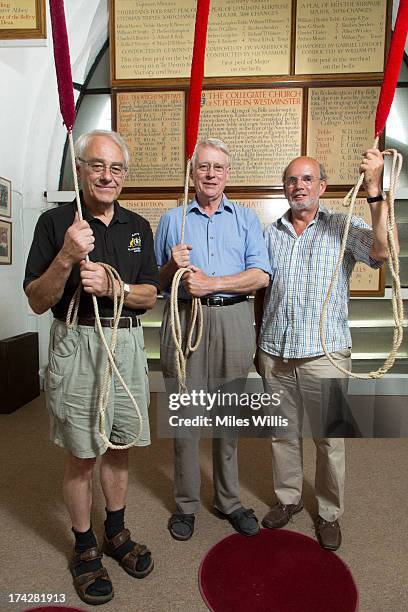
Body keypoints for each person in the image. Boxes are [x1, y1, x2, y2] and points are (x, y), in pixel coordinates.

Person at [24, 130, 159, 605]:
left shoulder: (138, 226)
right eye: (97, 166)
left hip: (124, 342)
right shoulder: (55, 223)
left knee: (120, 446)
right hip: (77, 342)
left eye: (117, 168)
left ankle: (115, 533)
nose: (107, 175)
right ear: (80, 169)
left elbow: (150, 295)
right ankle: (84, 548)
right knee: (82, 453)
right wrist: (66, 255)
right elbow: (38, 301)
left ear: (125, 174)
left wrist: (112, 285)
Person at [254, 150, 398, 550]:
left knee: (330, 440)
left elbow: (382, 253)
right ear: (285, 189)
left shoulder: (342, 226)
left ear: (322, 186)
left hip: (326, 354)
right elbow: (263, 292)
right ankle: (288, 500)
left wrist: (374, 190)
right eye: (291, 180)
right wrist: (258, 344)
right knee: (282, 434)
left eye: (306, 179)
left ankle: (330, 512)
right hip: (275, 352)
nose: (298, 186)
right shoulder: (271, 233)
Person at [154, 138, 271, 540]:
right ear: (192, 173)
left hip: (234, 320)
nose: (210, 174)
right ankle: (186, 504)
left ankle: (228, 500)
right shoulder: (173, 220)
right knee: (186, 418)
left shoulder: (246, 220)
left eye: (217, 168)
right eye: (203, 167)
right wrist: (174, 267)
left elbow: (260, 275)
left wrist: (213, 282)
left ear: (227, 174)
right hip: (186, 321)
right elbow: (157, 283)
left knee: (228, 417)